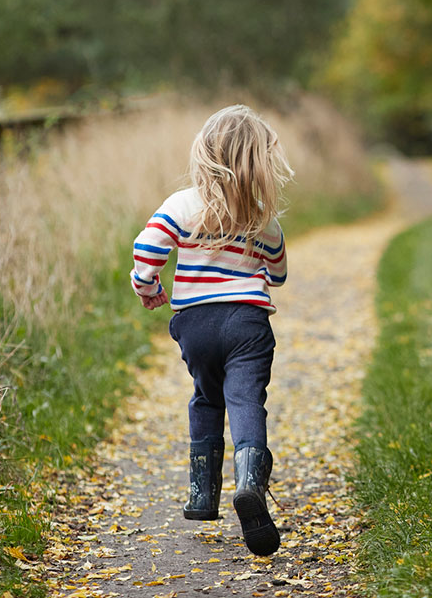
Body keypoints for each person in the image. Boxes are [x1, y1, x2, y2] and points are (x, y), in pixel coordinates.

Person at [130, 105, 291, 555]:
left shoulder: (181, 205)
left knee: (206, 396)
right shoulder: (264, 218)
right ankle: (248, 484)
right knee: (245, 399)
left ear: (204, 154)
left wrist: (147, 286)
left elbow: (148, 250)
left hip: (195, 324)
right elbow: (277, 274)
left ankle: (203, 495)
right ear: (259, 163)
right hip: (247, 324)